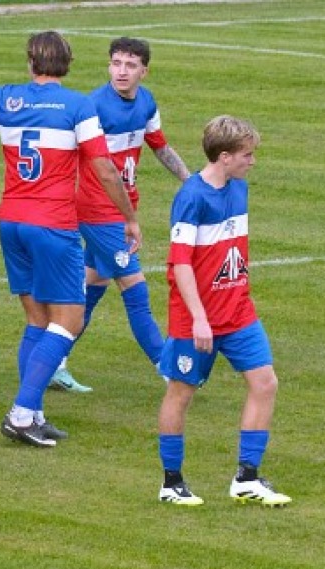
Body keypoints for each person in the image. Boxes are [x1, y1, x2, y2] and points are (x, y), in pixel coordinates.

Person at [0, 32, 139, 447]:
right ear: (67, 63)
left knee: (38, 321)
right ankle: (21, 413)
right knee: (68, 321)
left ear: (30, 62)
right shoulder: (78, 106)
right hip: (53, 225)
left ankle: (33, 413)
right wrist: (129, 217)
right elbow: (106, 169)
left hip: (11, 222)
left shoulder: (5, 98)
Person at [156, 115, 291, 507]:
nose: (253, 161)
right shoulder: (192, 198)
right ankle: (171, 483)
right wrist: (199, 317)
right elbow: (181, 263)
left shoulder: (239, 189)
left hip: (238, 312)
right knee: (180, 393)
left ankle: (246, 478)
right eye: (247, 155)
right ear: (225, 156)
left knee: (265, 383)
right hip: (195, 318)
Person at [59, 37, 192, 393]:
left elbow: (160, 146)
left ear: (143, 71)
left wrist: (189, 180)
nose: (121, 71)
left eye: (130, 65)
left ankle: (54, 360)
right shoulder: (93, 107)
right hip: (98, 211)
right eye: (116, 63)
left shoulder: (146, 102)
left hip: (120, 207)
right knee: (135, 291)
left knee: (93, 286)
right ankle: (169, 370)